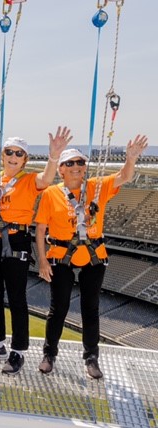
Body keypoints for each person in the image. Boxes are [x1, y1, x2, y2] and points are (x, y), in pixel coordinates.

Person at [35, 136, 148, 380]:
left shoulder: (97, 186)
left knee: (90, 308)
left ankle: (91, 358)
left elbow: (124, 177)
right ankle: (49, 354)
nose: (76, 166)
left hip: (93, 255)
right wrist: (42, 260)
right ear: (61, 169)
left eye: (80, 162)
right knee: (59, 308)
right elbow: (41, 229)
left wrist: (131, 159)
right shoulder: (51, 194)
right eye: (70, 162)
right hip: (60, 255)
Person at [0, 128, 71, 375]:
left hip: (16, 241)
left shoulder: (28, 181)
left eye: (19, 154)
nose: (13, 156)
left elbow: (46, 180)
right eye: (9, 152)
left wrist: (53, 157)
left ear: (25, 159)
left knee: (17, 298)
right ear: (3, 154)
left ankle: (18, 351)